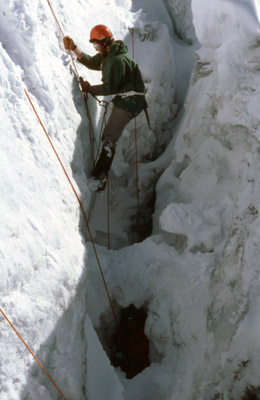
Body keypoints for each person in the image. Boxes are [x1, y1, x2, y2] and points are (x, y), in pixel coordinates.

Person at [63, 25, 148, 191]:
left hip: (129, 102)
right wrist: (74, 48)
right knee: (108, 137)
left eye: (96, 45)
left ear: (104, 42)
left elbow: (110, 89)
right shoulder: (110, 55)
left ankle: (99, 180)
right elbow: (92, 62)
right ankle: (99, 177)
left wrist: (89, 88)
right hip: (129, 100)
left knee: (109, 138)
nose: (95, 48)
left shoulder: (115, 60)